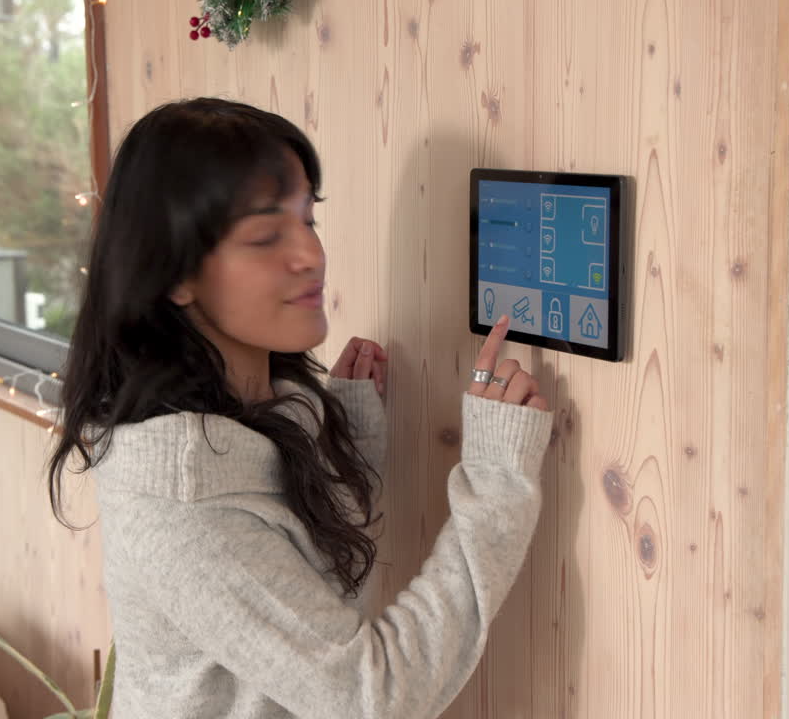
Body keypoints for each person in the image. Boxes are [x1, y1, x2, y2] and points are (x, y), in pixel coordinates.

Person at [47, 97, 554, 719]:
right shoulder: (185, 500)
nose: (311, 254)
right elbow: (371, 694)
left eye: (308, 219)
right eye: (266, 236)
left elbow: (308, 586)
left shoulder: (255, 412)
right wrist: (497, 481)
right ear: (174, 275)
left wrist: (348, 434)